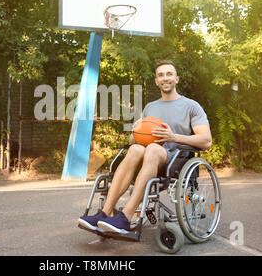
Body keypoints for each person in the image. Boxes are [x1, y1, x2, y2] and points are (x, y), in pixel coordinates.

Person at [78, 60, 212, 234]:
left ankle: (126, 217)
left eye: (169, 74)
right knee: (135, 149)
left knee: (153, 149)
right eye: (161, 75)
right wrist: (134, 132)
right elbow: (134, 140)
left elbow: (206, 141)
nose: (165, 78)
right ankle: (103, 213)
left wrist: (174, 137)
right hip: (147, 158)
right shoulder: (150, 107)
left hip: (176, 158)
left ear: (176, 79)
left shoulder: (191, 106)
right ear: (156, 81)